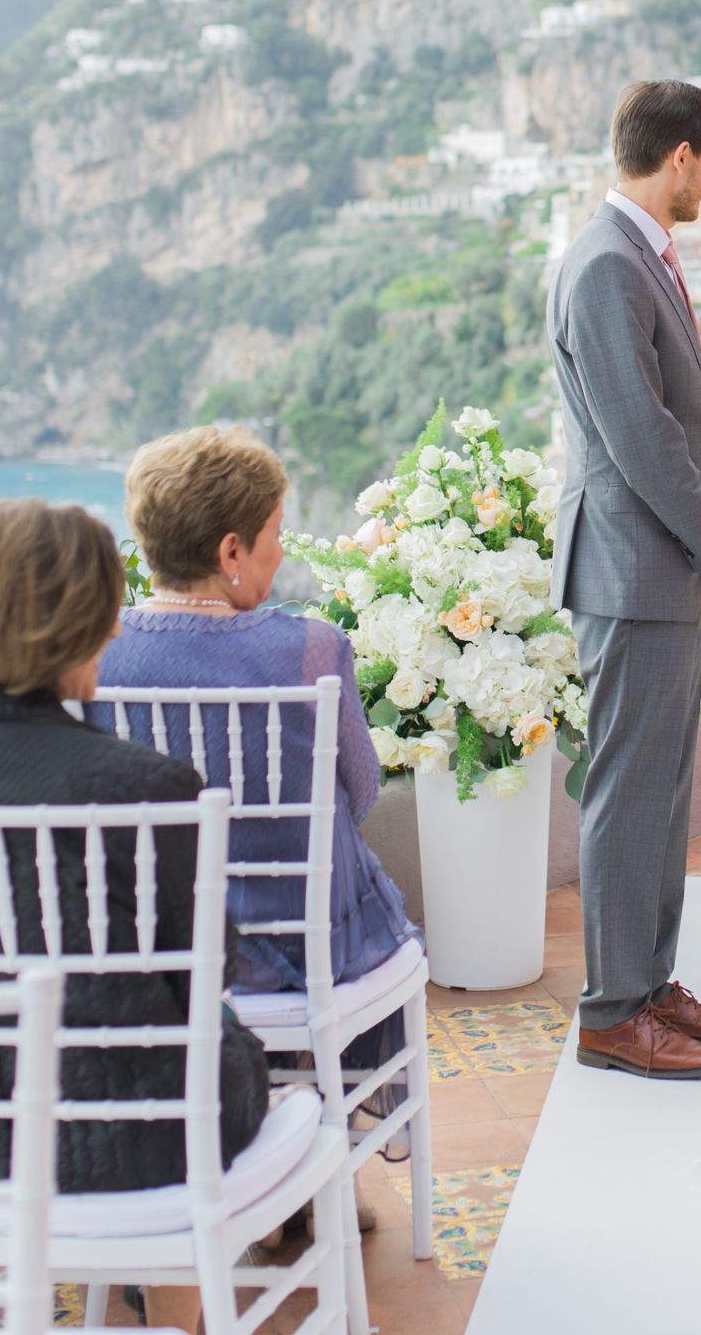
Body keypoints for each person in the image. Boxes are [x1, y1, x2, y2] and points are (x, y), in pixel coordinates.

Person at [0, 499, 271, 1335]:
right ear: (69, 624)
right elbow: (203, 978)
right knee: (231, 1064)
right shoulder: (152, 786)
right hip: (147, 1146)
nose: (110, 633)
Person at [547, 80, 701, 1080]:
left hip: (654, 568)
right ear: (679, 154)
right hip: (634, 568)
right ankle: (610, 1011)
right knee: (629, 794)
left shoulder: (634, 252)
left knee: (662, 793)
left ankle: (649, 982)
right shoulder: (605, 261)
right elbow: (641, 434)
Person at [94, 425, 417, 1097]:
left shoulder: (95, 655)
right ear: (231, 549)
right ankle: (312, 1154)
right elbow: (360, 795)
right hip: (303, 947)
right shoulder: (311, 647)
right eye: (274, 531)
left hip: (158, 949)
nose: (279, 550)